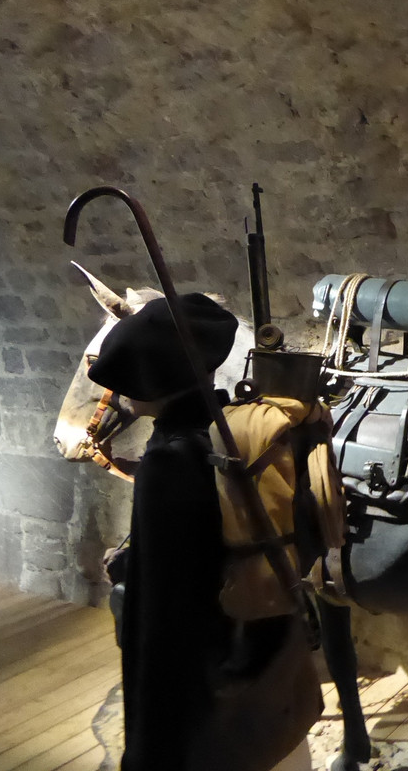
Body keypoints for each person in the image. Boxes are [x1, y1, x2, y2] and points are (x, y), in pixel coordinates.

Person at [88, 293, 240, 770]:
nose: (125, 393)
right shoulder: (222, 426)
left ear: (160, 378)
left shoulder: (169, 458)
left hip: (184, 652)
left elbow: (163, 603)